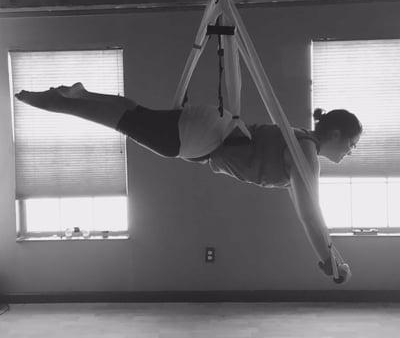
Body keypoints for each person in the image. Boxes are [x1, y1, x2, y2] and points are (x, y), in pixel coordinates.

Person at [15, 82, 362, 283]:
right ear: (334, 134)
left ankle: (79, 94)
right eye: (351, 144)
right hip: (203, 137)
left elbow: (309, 211)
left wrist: (333, 256)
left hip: (210, 128)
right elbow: (310, 215)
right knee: (131, 124)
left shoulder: (301, 138)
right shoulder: (306, 154)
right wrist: (331, 264)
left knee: (138, 116)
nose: (350, 152)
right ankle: (58, 102)